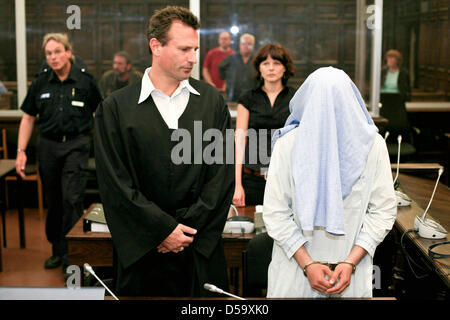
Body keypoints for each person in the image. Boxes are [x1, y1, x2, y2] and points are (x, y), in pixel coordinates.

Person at [94, 6, 234, 297]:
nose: (193, 58)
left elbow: (221, 177)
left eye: (195, 49)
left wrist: (185, 232)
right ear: (155, 46)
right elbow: (115, 185)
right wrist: (162, 231)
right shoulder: (116, 109)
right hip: (142, 253)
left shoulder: (212, 102)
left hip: (199, 252)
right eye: (184, 49)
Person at [263, 67, 397, 298]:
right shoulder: (288, 144)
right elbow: (275, 213)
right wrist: (308, 264)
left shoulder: (373, 145)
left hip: (350, 275)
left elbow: (383, 211)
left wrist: (350, 262)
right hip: (295, 274)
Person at [16, 33, 102, 271]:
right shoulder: (41, 82)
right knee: (54, 202)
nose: (53, 57)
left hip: (76, 145)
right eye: (48, 54)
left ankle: (73, 257)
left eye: (57, 52)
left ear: (68, 52)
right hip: (48, 146)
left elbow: (101, 114)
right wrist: (21, 151)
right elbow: (28, 117)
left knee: (72, 199)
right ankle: (58, 250)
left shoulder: (85, 80)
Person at [233, 43, 296, 207]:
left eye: (276, 63)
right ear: (259, 68)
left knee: (284, 230)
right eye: (265, 63)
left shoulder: (296, 99)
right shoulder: (248, 98)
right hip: (252, 178)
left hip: (286, 178)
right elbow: (240, 141)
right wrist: (237, 184)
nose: (271, 68)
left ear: (285, 68)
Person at [218, 33, 258, 101]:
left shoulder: (257, 59)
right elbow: (220, 67)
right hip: (233, 96)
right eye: (244, 43)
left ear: (253, 46)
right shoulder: (232, 57)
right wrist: (227, 79)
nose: (246, 46)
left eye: (249, 44)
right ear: (240, 45)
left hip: (252, 96)